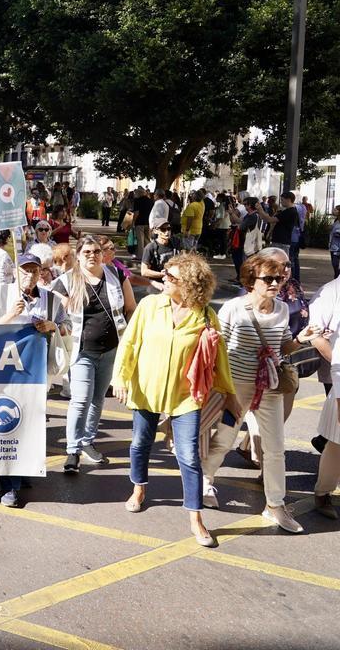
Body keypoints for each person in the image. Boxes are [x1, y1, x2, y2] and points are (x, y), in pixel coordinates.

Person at [111, 253, 234, 547]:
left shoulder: (205, 315)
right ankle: (139, 488)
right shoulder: (150, 305)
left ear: (189, 284)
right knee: (140, 443)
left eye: (171, 276)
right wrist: (120, 377)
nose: (163, 278)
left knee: (188, 455)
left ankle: (195, 517)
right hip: (146, 388)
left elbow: (219, 357)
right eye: (165, 273)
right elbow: (130, 343)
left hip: (185, 396)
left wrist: (229, 394)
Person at [201, 254, 323, 533]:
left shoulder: (281, 309)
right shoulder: (233, 308)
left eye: (279, 278)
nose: (275, 284)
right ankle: (205, 483)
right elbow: (219, 350)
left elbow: (282, 346)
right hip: (237, 388)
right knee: (224, 439)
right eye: (268, 279)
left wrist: (300, 339)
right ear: (250, 280)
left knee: (276, 449)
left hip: (269, 388)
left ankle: (275, 505)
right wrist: (226, 392)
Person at [51, 236, 135, 473]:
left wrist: (130, 338)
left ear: (102, 254)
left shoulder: (116, 275)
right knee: (80, 400)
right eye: (86, 252)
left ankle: (87, 441)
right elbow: (55, 314)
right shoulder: (66, 281)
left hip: (111, 350)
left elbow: (131, 308)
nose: (92, 255)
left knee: (98, 399)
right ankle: (72, 451)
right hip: (82, 352)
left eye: (96, 251)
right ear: (78, 256)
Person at [0, 253, 66, 506]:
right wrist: (10, 315)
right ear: (15, 272)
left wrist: (52, 326)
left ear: (40, 273)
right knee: (7, 422)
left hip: (36, 372)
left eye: (34, 271)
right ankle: (8, 485)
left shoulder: (51, 299)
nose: (29, 275)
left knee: (31, 422)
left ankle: (23, 469)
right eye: (24, 270)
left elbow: (66, 328)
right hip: (6, 371)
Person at [139, 221, 179, 292]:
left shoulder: (175, 244)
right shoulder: (150, 248)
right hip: (157, 286)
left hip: (173, 284)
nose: (167, 232)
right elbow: (144, 271)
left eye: (169, 229)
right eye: (163, 229)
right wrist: (162, 274)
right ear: (156, 231)